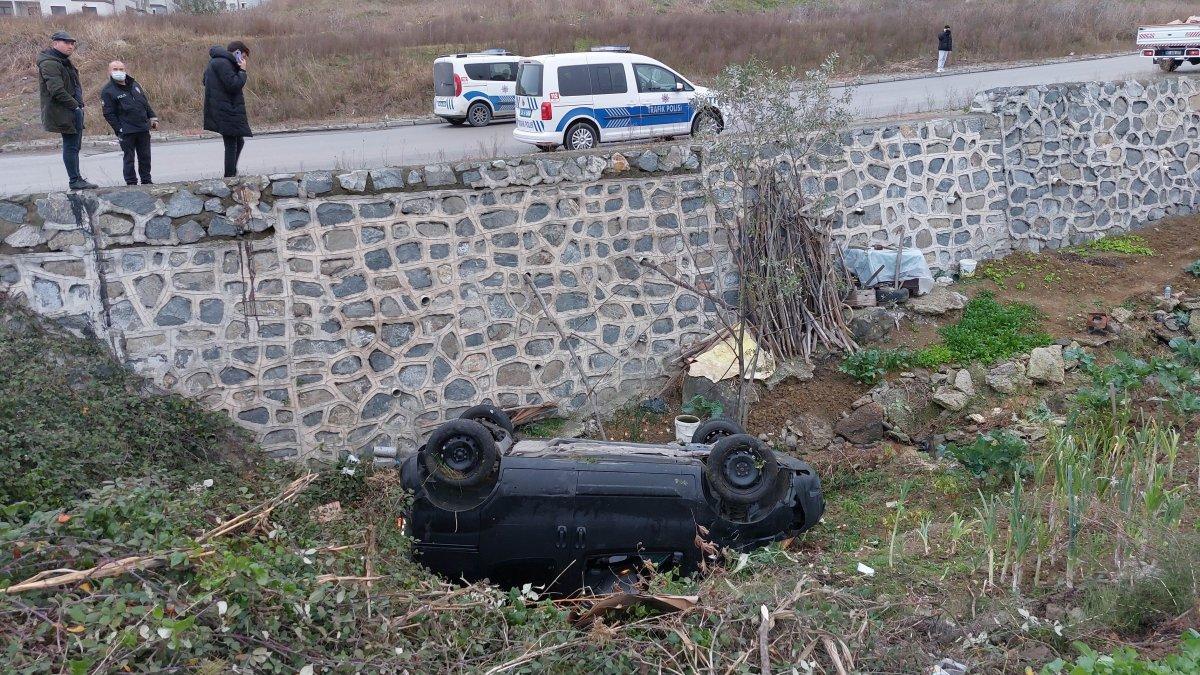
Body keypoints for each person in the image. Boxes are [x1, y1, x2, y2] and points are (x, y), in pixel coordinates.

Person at [38, 31, 97, 190]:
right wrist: (75, 106)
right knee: (71, 146)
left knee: (74, 146)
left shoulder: (63, 61)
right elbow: (56, 90)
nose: (70, 46)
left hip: (72, 109)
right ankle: (74, 180)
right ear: (55, 43)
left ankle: (77, 178)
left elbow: (74, 85)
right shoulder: (50, 63)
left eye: (72, 43)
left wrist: (79, 105)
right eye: (66, 42)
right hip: (64, 110)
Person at [101, 60, 158, 186]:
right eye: (115, 69)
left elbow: (145, 103)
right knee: (129, 158)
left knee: (145, 157)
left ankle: (147, 181)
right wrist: (119, 129)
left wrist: (153, 117)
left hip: (142, 128)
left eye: (121, 69)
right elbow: (108, 114)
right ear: (109, 71)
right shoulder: (108, 91)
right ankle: (131, 183)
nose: (119, 71)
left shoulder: (134, 85)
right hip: (126, 131)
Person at [202, 40, 253, 178]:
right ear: (237, 53)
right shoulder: (223, 63)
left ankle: (231, 173)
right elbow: (234, 85)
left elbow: (205, 80)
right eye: (243, 56)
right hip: (226, 109)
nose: (243, 59)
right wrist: (242, 70)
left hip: (223, 108)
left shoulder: (216, 61)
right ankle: (229, 177)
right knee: (231, 143)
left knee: (239, 141)